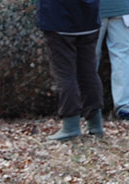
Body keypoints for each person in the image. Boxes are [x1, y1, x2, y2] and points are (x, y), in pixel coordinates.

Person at [36, 0, 104, 141]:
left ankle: (71, 125)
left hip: (58, 19)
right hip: (89, 18)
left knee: (65, 75)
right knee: (89, 73)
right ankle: (95, 124)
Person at [95, 0, 129, 123]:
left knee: (87, 59)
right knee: (123, 58)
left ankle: (86, 108)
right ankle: (126, 109)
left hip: (90, 8)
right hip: (126, 8)